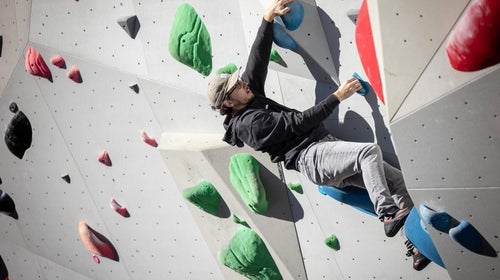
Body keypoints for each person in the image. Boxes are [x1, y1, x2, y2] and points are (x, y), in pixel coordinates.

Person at [207, 0, 413, 238]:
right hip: (312, 157)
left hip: (324, 149)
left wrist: (267, 19)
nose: (242, 82)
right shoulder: (250, 126)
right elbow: (299, 123)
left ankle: (414, 243)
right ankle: (387, 214)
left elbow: (257, 61)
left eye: (239, 80)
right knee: (367, 153)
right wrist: (338, 96)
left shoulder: (247, 96)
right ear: (229, 103)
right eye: (236, 86)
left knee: (397, 181)